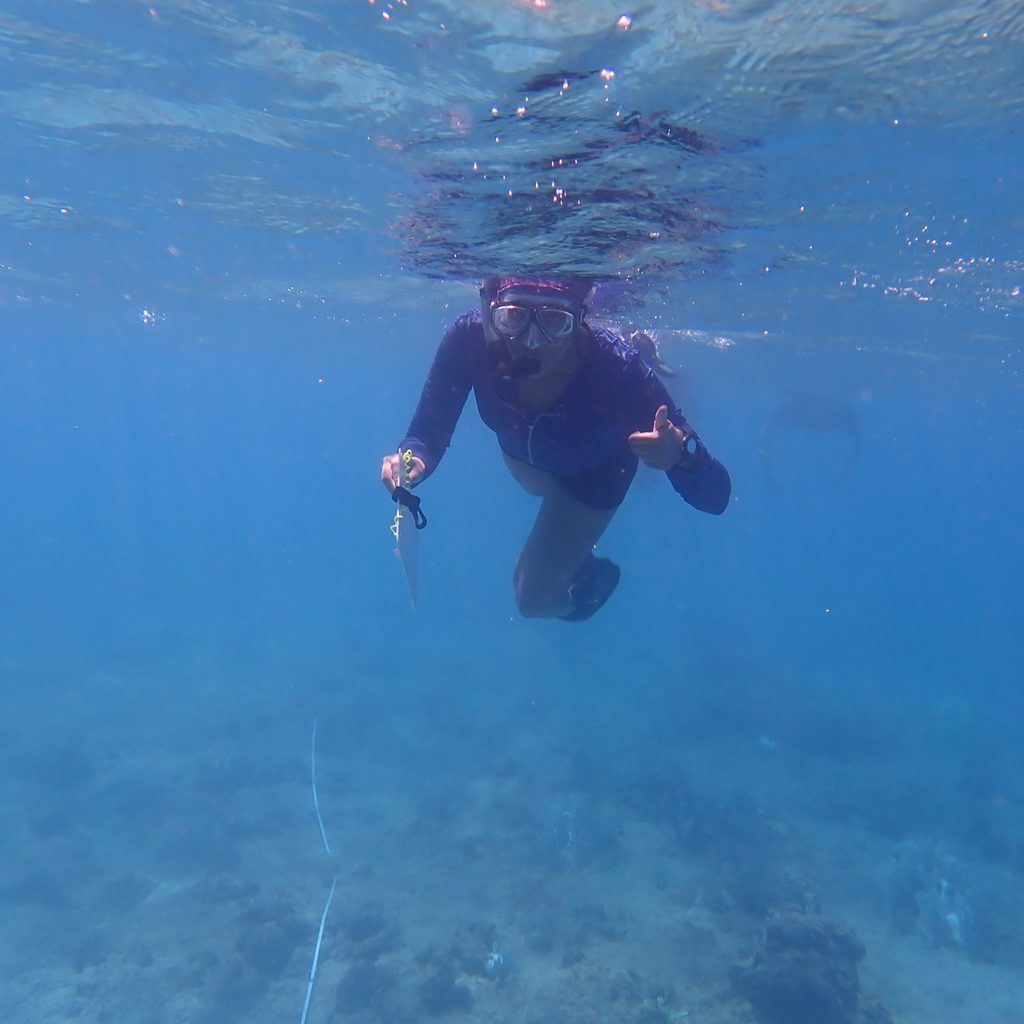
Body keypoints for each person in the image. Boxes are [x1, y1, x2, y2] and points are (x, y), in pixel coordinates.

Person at [381, 275, 730, 621]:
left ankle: (590, 588)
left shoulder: (619, 369)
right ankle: (574, 546)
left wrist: (683, 453)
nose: (533, 342)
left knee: (531, 598)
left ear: (580, 320)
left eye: (554, 321)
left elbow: (715, 498)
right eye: (515, 316)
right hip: (530, 464)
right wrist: (414, 460)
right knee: (534, 490)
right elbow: (426, 433)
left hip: (594, 474)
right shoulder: (468, 341)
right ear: (490, 312)